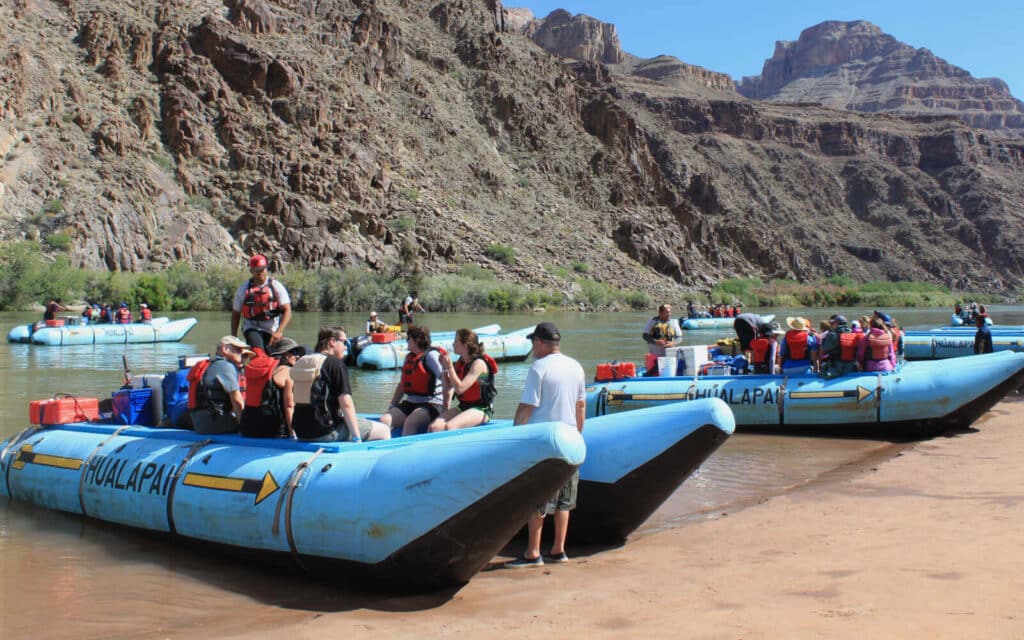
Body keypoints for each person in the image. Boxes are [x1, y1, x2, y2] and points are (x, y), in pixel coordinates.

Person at [506, 322, 586, 569]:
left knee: (538, 499)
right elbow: (581, 406)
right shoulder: (575, 366)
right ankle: (558, 550)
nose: (532, 348)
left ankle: (533, 553)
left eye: (533, 342)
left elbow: (527, 406)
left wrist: (515, 436)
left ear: (541, 343)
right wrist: (577, 436)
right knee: (564, 501)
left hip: (544, 443)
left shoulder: (538, 368)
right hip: (570, 439)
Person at [290, 326, 390, 442]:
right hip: (326, 432)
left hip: (301, 432)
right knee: (384, 430)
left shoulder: (302, 361)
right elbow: (346, 404)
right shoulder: (335, 364)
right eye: (344, 342)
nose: (346, 347)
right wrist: (356, 437)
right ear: (332, 342)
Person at [380, 325, 450, 436]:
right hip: (411, 402)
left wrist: (446, 408)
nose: (406, 341)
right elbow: (402, 385)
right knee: (384, 420)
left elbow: (447, 382)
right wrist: (392, 405)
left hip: (432, 404)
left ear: (417, 340)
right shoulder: (409, 357)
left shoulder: (432, 356)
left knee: (410, 422)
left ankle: (407, 447)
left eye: (408, 338)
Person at [429, 329, 498, 432]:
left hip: (481, 408)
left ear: (465, 345)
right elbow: (448, 387)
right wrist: (444, 368)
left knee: (450, 427)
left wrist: (450, 367)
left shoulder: (478, 364)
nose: (453, 344)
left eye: (456, 341)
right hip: (464, 406)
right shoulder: (461, 363)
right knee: (434, 427)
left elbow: (460, 389)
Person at [239, 338, 304, 438]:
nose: (298, 356)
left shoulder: (262, 368)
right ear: (287, 355)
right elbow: (289, 406)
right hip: (269, 428)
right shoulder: (288, 372)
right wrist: (293, 433)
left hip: (247, 426)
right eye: (295, 352)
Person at [190, 336, 254, 434]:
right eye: (238, 350)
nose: (242, 353)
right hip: (216, 422)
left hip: (200, 422)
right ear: (225, 349)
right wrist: (245, 428)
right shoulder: (226, 366)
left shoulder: (211, 364)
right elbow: (237, 400)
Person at [231, 254, 292, 351]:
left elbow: (287, 311)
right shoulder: (243, 289)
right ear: (252, 271)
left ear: (266, 269)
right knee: (258, 350)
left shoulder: (276, 286)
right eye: (257, 270)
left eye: (262, 269)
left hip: (272, 329)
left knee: (272, 355)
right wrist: (233, 336)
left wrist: (279, 332)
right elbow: (236, 313)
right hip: (251, 327)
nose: (260, 272)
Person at [642, 304, 682, 375]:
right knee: (652, 373)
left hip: (670, 357)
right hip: (655, 356)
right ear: (660, 312)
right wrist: (655, 342)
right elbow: (645, 336)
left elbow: (679, 338)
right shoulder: (652, 322)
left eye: (670, 312)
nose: (669, 314)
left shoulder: (674, 322)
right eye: (666, 312)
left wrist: (672, 343)